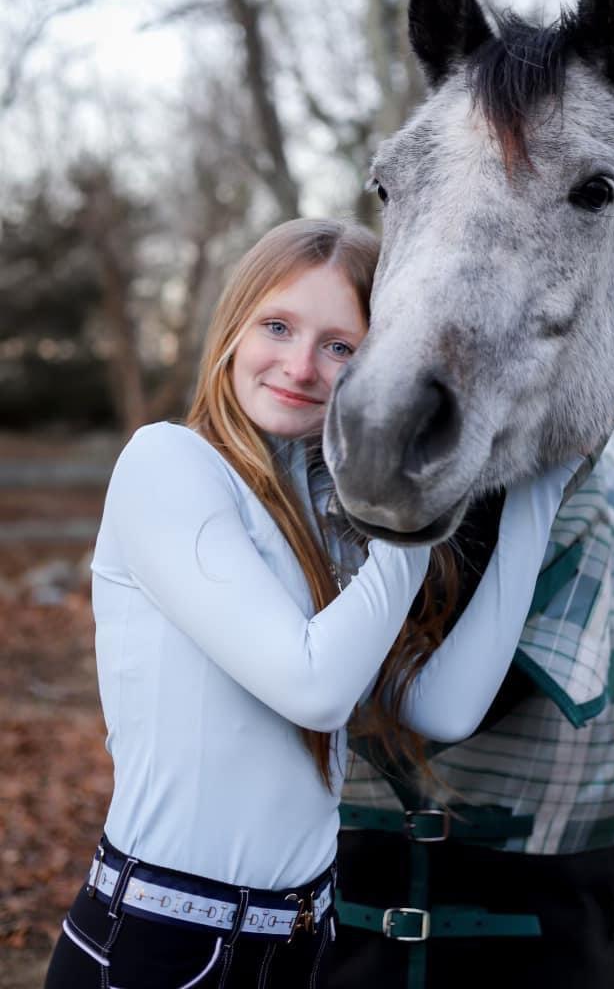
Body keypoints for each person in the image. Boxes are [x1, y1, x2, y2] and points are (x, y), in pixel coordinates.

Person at [44, 217, 581, 989]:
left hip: (302, 943)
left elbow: (442, 709)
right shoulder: (167, 464)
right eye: (278, 326)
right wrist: (412, 495)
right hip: (163, 946)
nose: (301, 365)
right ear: (234, 327)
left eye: (342, 346)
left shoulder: (327, 522)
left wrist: (534, 504)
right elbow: (315, 688)